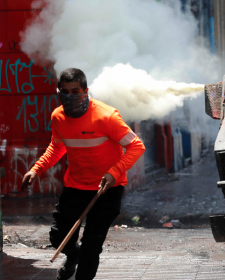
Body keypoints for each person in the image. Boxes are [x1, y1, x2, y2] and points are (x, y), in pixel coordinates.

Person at [21, 68, 146, 280]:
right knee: (59, 236)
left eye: (75, 91)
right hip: (75, 187)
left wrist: (114, 172)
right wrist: (36, 169)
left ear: (86, 91)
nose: (70, 96)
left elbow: (136, 146)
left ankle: (83, 261)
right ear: (59, 91)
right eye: (65, 91)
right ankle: (73, 255)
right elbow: (57, 147)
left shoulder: (107, 116)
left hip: (107, 189)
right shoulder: (58, 117)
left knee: (92, 246)